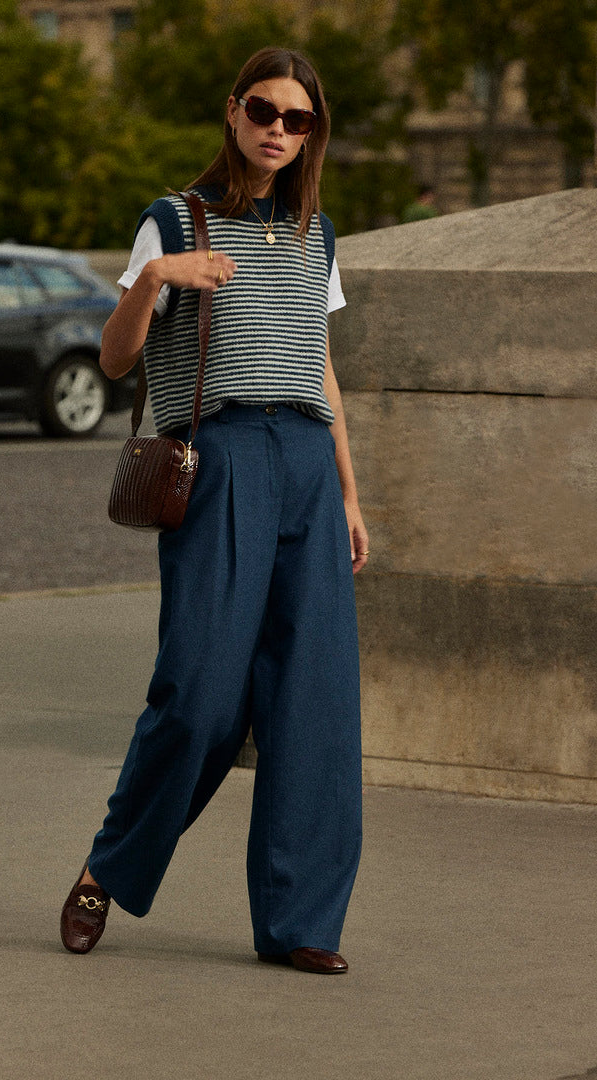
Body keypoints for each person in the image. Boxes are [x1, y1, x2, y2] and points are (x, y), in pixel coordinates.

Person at [60, 46, 369, 975]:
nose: (277, 130)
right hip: (221, 459)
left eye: (296, 119)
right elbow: (116, 361)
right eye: (263, 111)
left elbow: (318, 366)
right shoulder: (173, 219)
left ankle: (300, 923)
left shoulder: (315, 233)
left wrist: (349, 493)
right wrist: (157, 279)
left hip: (307, 464)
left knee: (313, 703)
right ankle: (108, 867)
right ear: (232, 112)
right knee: (198, 696)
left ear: (311, 133)